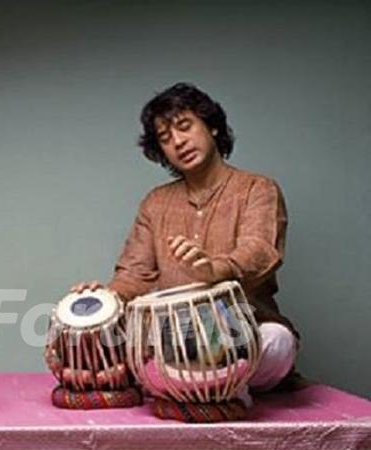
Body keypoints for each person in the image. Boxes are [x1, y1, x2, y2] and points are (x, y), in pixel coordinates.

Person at [72, 82, 299, 404]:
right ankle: (212, 388)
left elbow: (260, 251)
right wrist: (103, 299)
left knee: (277, 342)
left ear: (214, 127)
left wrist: (215, 268)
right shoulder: (156, 202)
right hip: (172, 338)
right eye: (165, 138)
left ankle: (193, 385)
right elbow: (135, 274)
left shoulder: (256, 189)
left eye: (184, 126)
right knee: (108, 345)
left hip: (242, 333)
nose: (178, 142)